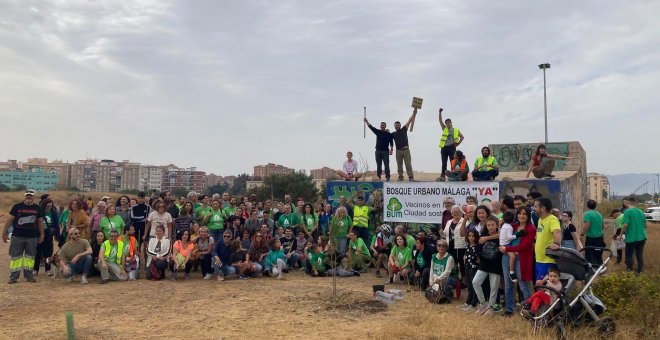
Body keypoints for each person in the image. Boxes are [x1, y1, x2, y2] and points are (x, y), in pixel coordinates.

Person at [499, 206, 536, 316]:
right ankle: (509, 309)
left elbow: (524, 246)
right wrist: (503, 248)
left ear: (528, 216)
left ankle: (530, 310)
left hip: (521, 258)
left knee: (523, 285)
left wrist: (507, 249)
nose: (521, 216)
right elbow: (503, 238)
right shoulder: (513, 226)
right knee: (508, 284)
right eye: (520, 213)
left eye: (524, 214)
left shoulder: (531, 229)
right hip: (507, 257)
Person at [3, 189, 44, 284]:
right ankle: (13, 277)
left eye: (31, 195)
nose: (29, 197)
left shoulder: (37, 208)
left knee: (30, 257)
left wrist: (42, 235)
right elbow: (9, 220)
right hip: (17, 236)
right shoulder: (17, 207)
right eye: (27, 195)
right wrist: (4, 233)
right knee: (16, 257)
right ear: (25, 196)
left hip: (32, 237)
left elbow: (40, 222)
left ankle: (29, 276)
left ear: (33, 197)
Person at [472, 216, 502, 315]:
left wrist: (493, 257)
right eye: (488, 225)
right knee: (476, 282)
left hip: (496, 265)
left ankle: (491, 307)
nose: (490, 227)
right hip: (484, 265)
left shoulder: (500, 237)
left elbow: (500, 250)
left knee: (494, 287)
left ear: (497, 225)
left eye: (493, 225)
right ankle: (483, 303)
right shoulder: (482, 237)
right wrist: (485, 257)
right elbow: (478, 250)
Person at [534, 197, 562, 280]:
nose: (534, 209)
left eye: (536, 206)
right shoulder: (540, 220)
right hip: (539, 259)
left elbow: (557, 232)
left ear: (542, 208)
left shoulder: (552, 219)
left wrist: (556, 244)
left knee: (543, 287)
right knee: (539, 286)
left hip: (548, 260)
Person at [618, 197, 647, 273]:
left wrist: (620, 235)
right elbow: (645, 225)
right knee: (639, 255)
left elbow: (625, 225)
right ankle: (640, 271)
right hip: (642, 237)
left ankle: (630, 272)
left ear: (627, 203)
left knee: (629, 256)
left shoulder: (627, 212)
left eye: (625, 202)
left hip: (631, 238)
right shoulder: (641, 212)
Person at [437, 108, 464, 182]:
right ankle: (442, 176)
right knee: (444, 162)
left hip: (452, 147)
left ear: (451, 123)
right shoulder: (444, 129)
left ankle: (453, 175)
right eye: (446, 123)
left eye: (449, 122)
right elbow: (440, 121)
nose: (448, 124)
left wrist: (458, 143)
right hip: (444, 147)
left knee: (453, 161)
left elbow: (462, 137)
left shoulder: (455, 130)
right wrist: (440, 112)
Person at [391, 108, 418, 181]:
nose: (397, 126)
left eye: (398, 125)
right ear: (394, 126)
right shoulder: (393, 134)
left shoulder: (404, 129)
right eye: (396, 125)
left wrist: (414, 113)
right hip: (398, 151)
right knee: (399, 165)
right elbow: (388, 138)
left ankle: (411, 177)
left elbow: (409, 121)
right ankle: (400, 176)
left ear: (400, 125)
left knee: (408, 164)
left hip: (406, 150)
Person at [443, 205, 467, 285]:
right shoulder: (449, 222)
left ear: (461, 212)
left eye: (457, 212)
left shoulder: (465, 221)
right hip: (450, 246)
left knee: (461, 263)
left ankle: (463, 280)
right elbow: (445, 232)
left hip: (460, 246)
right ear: (451, 213)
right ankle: (456, 280)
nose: (455, 213)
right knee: (453, 263)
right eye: (453, 212)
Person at [34, 198, 59, 276]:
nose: (49, 208)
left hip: (49, 235)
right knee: (38, 252)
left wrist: (57, 236)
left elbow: (57, 225)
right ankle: (35, 269)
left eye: (50, 206)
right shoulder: (39, 212)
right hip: (39, 234)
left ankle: (47, 270)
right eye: (47, 206)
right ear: (44, 206)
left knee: (48, 253)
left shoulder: (54, 213)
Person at [458, 230, 480, 311]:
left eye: (473, 236)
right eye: (470, 236)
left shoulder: (477, 246)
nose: (471, 237)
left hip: (474, 268)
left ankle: (473, 304)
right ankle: (468, 302)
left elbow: (478, 258)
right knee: (469, 286)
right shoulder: (467, 245)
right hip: (467, 267)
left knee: (474, 286)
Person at [582, 199, 605, 266]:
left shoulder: (587, 214)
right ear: (595, 206)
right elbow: (603, 226)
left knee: (589, 255)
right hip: (600, 238)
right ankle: (600, 269)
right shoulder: (599, 214)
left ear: (587, 206)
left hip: (591, 238)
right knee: (598, 255)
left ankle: (590, 270)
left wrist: (582, 234)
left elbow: (587, 225)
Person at [499, 211, 521, 282]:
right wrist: (518, 235)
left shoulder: (504, 225)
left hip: (503, 243)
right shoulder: (509, 227)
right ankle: (511, 273)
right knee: (513, 256)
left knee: (515, 253)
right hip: (506, 244)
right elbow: (509, 237)